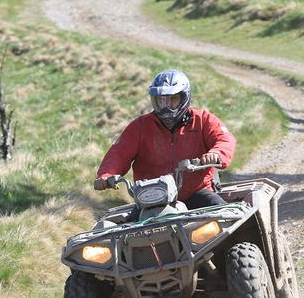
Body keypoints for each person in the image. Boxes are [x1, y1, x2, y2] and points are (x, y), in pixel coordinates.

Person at [94, 69, 235, 212]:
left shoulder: (203, 120)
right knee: (123, 231)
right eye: (161, 100)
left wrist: (216, 153)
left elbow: (224, 139)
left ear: (184, 97)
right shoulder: (140, 127)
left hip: (196, 194)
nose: (165, 106)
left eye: (172, 99)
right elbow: (119, 153)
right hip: (152, 199)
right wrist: (106, 175)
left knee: (225, 215)